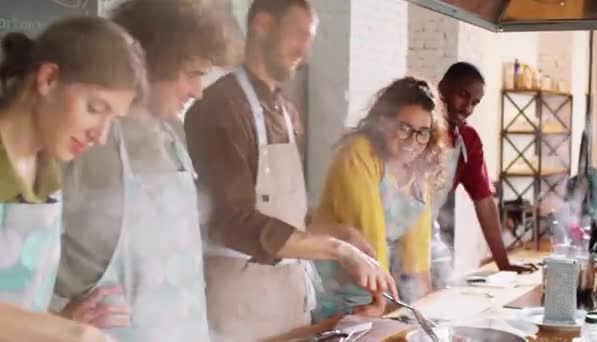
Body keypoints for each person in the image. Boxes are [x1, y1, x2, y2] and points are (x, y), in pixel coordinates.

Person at [185, 0, 397, 340]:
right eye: (299, 34)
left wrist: (342, 233)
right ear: (263, 25)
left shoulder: (286, 111)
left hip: (288, 296)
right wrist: (338, 250)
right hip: (239, 302)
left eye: (309, 38)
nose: (304, 49)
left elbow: (288, 213)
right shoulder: (220, 108)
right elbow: (235, 221)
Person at [52, 1, 239, 341]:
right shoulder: (85, 144)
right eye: (193, 74)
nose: (199, 91)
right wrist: (56, 320)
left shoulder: (173, 138)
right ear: (152, 64)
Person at [0, 16, 145, 341]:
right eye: (95, 108)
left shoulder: (48, 167)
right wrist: (70, 333)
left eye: (112, 120)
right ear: (49, 79)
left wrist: (56, 318)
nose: (101, 136)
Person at [312, 77, 450, 320]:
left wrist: (425, 312)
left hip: (378, 289)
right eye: (404, 128)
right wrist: (382, 302)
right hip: (339, 287)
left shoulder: (418, 173)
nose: (412, 141)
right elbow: (368, 237)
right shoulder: (359, 154)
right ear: (384, 122)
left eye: (422, 133)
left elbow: (416, 257)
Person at [434, 62, 537, 274]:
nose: (467, 108)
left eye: (475, 103)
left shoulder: (468, 140)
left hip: (435, 235)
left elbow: (485, 202)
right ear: (442, 87)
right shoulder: (418, 127)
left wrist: (504, 264)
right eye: (463, 95)